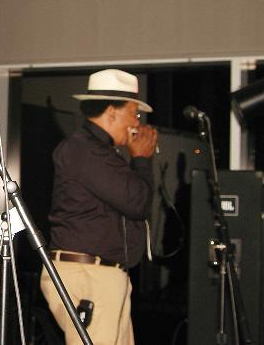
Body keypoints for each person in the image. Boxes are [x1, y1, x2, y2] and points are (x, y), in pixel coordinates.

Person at [40, 69, 158, 345]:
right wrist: (142, 159)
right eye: (134, 113)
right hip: (89, 276)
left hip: (99, 275)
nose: (137, 123)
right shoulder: (85, 150)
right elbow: (137, 202)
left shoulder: (99, 152)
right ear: (112, 112)